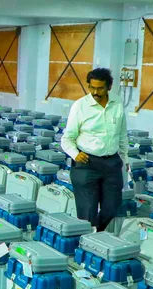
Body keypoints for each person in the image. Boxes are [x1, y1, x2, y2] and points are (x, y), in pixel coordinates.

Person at [61, 68, 129, 231]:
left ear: (109, 87)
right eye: (92, 87)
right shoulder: (80, 106)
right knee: (88, 212)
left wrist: (126, 160)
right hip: (86, 164)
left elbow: (122, 135)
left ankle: (97, 233)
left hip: (111, 164)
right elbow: (66, 139)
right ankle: (88, 240)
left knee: (112, 207)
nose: (95, 92)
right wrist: (76, 154)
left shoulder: (117, 103)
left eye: (100, 88)